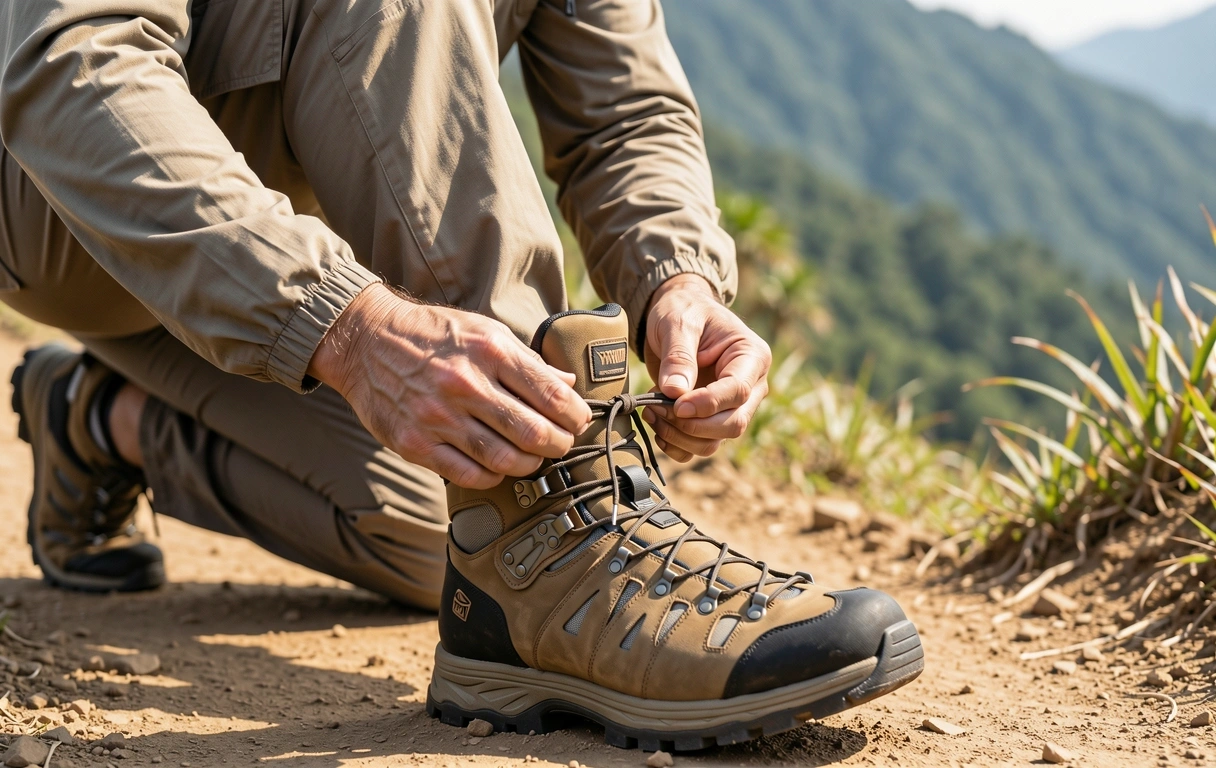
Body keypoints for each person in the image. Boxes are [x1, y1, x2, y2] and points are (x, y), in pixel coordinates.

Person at [1, 0, 921, 748]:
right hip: (57, 200)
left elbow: (622, 111)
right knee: (511, 517)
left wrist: (674, 275)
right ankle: (560, 525)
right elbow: (74, 64)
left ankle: (95, 415)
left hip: (248, 245)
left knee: (441, 530)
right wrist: (346, 327)